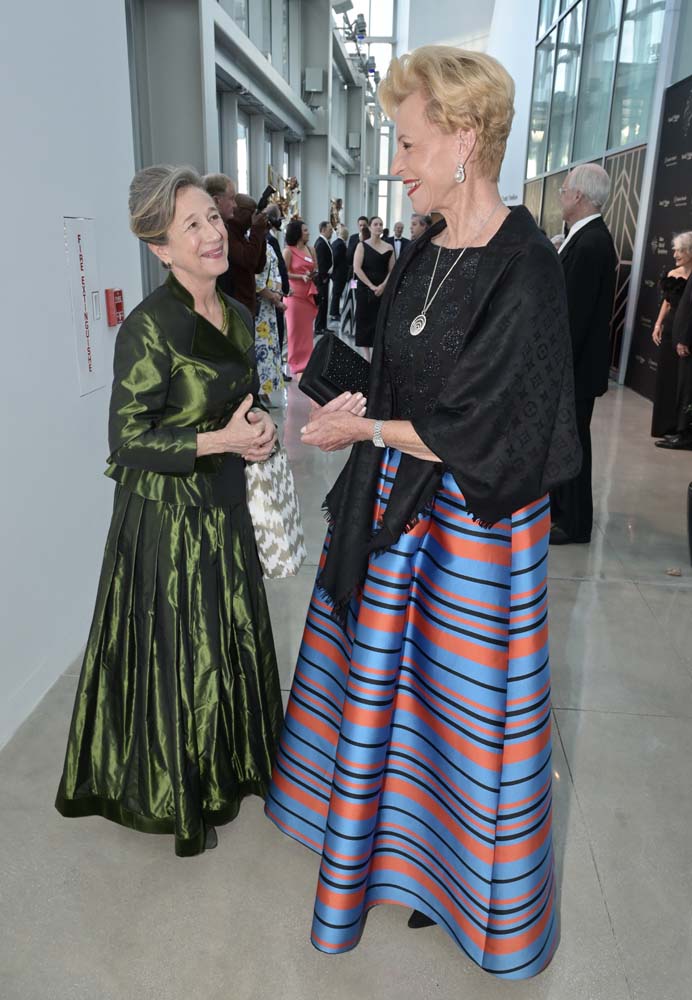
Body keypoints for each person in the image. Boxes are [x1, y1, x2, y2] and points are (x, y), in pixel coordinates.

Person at [265, 45, 580, 979]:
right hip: (394, 509)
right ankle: (383, 859)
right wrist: (354, 403)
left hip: (473, 541)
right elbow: (405, 374)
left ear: (464, 141)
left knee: (456, 724)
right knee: (387, 709)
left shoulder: (527, 266)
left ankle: (456, 890)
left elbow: (491, 432)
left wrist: (370, 433)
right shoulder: (420, 248)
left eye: (407, 144)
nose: (396, 164)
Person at [55, 165, 284, 856]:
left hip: (224, 508)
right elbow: (127, 439)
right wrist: (221, 440)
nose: (213, 233)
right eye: (193, 225)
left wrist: (262, 426)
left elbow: (253, 396)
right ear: (161, 247)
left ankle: (235, 766)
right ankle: (182, 790)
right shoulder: (149, 330)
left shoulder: (242, 316)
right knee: (183, 656)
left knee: (229, 641)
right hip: (167, 519)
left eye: (212, 218)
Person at [550, 163, 616, 545]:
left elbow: (574, 318)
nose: (560, 196)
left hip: (574, 370)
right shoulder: (585, 238)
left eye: (563, 190)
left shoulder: (590, 243)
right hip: (573, 368)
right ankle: (562, 512)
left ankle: (574, 523)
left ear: (577, 195)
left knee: (572, 443)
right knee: (567, 441)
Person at [652, 232, 692, 448]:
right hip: (671, 331)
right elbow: (667, 303)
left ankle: (682, 429)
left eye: (679, 250)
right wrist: (658, 324)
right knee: (669, 380)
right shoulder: (672, 273)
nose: (674, 254)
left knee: (684, 383)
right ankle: (668, 426)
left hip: (686, 334)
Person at [353, 215, 395, 358]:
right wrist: (371, 286)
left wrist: (383, 286)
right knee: (364, 320)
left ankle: (378, 353)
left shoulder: (389, 247)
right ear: (370, 227)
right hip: (365, 289)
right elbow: (357, 268)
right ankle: (366, 355)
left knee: (380, 321)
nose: (378, 226)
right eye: (376, 224)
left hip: (382, 290)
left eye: (380, 224)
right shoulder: (362, 245)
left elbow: (392, 270)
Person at [255, 221, 287, 403]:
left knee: (269, 347)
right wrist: (274, 298)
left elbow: (275, 272)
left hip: (268, 308)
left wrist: (277, 295)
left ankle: (264, 390)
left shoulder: (267, 244)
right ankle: (259, 391)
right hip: (260, 306)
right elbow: (257, 281)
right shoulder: (255, 246)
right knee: (261, 348)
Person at [283, 218, 318, 376]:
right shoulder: (288, 251)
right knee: (294, 330)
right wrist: (299, 277)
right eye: (305, 230)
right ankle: (295, 363)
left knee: (306, 331)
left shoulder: (311, 249)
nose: (308, 232)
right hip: (294, 294)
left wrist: (312, 274)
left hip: (308, 293)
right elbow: (284, 273)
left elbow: (315, 267)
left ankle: (308, 360)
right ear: (297, 233)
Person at [224, 193, 268, 314]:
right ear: (241, 213)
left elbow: (258, 267)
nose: (253, 218)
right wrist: (256, 230)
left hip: (247, 306)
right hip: (237, 306)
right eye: (251, 213)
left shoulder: (242, 236)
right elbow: (248, 260)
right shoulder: (228, 234)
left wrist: (261, 234)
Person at [264, 203, 292, 380]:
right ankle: (276, 370)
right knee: (276, 333)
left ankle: (278, 369)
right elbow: (279, 267)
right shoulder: (269, 239)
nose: (280, 221)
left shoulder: (272, 238)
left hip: (276, 292)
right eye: (278, 217)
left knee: (279, 333)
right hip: (271, 295)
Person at [313, 220, 334, 335]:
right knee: (322, 302)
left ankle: (323, 326)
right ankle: (319, 327)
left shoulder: (326, 241)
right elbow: (320, 263)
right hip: (322, 279)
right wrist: (323, 277)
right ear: (323, 230)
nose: (331, 231)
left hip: (325, 278)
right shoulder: (321, 243)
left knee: (325, 302)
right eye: (330, 229)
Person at [329, 225, 349, 322]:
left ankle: (335, 312)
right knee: (336, 294)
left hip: (338, 273)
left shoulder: (336, 243)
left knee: (336, 293)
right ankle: (334, 313)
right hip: (339, 274)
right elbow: (336, 259)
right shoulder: (340, 244)